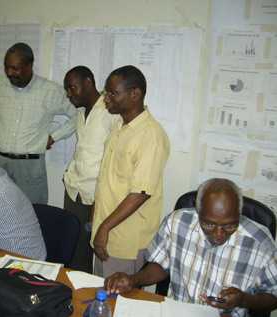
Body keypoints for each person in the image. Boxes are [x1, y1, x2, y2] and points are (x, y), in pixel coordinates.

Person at [105, 178, 277, 317]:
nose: (219, 234)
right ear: (198, 210)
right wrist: (133, 280)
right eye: (209, 225)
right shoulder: (177, 222)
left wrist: (243, 300)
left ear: (239, 214)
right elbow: (160, 266)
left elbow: (273, 296)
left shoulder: (260, 242)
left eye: (229, 226)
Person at [0, 42, 77, 204]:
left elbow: (77, 116)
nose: (10, 73)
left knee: (34, 211)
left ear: (30, 65)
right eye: (7, 67)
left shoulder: (51, 91)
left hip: (31, 165)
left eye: (15, 68)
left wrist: (54, 136)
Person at [91, 65, 170, 277]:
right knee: (100, 297)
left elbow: (140, 193)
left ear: (135, 94)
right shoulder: (119, 125)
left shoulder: (150, 136)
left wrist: (104, 228)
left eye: (113, 93)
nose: (106, 98)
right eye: (106, 92)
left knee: (117, 302)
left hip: (125, 239)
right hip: (107, 231)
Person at [63, 66, 117, 273]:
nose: (69, 94)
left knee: (89, 253)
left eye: (72, 87)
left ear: (88, 82)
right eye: (67, 89)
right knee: (72, 248)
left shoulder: (110, 111)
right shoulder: (81, 111)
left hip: (95, 195)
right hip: (73, 189)